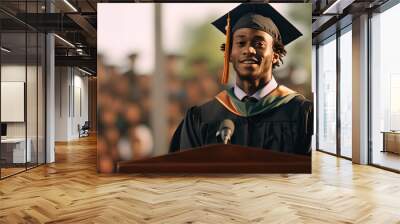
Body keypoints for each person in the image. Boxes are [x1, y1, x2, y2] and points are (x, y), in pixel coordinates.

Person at [169, 3, 313, 155]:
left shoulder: (302, 113)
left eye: (259, 44)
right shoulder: (201, 117)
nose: (248, 50)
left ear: (275, 55)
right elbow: (185, 173)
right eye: (240, 43)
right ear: (230, 54)